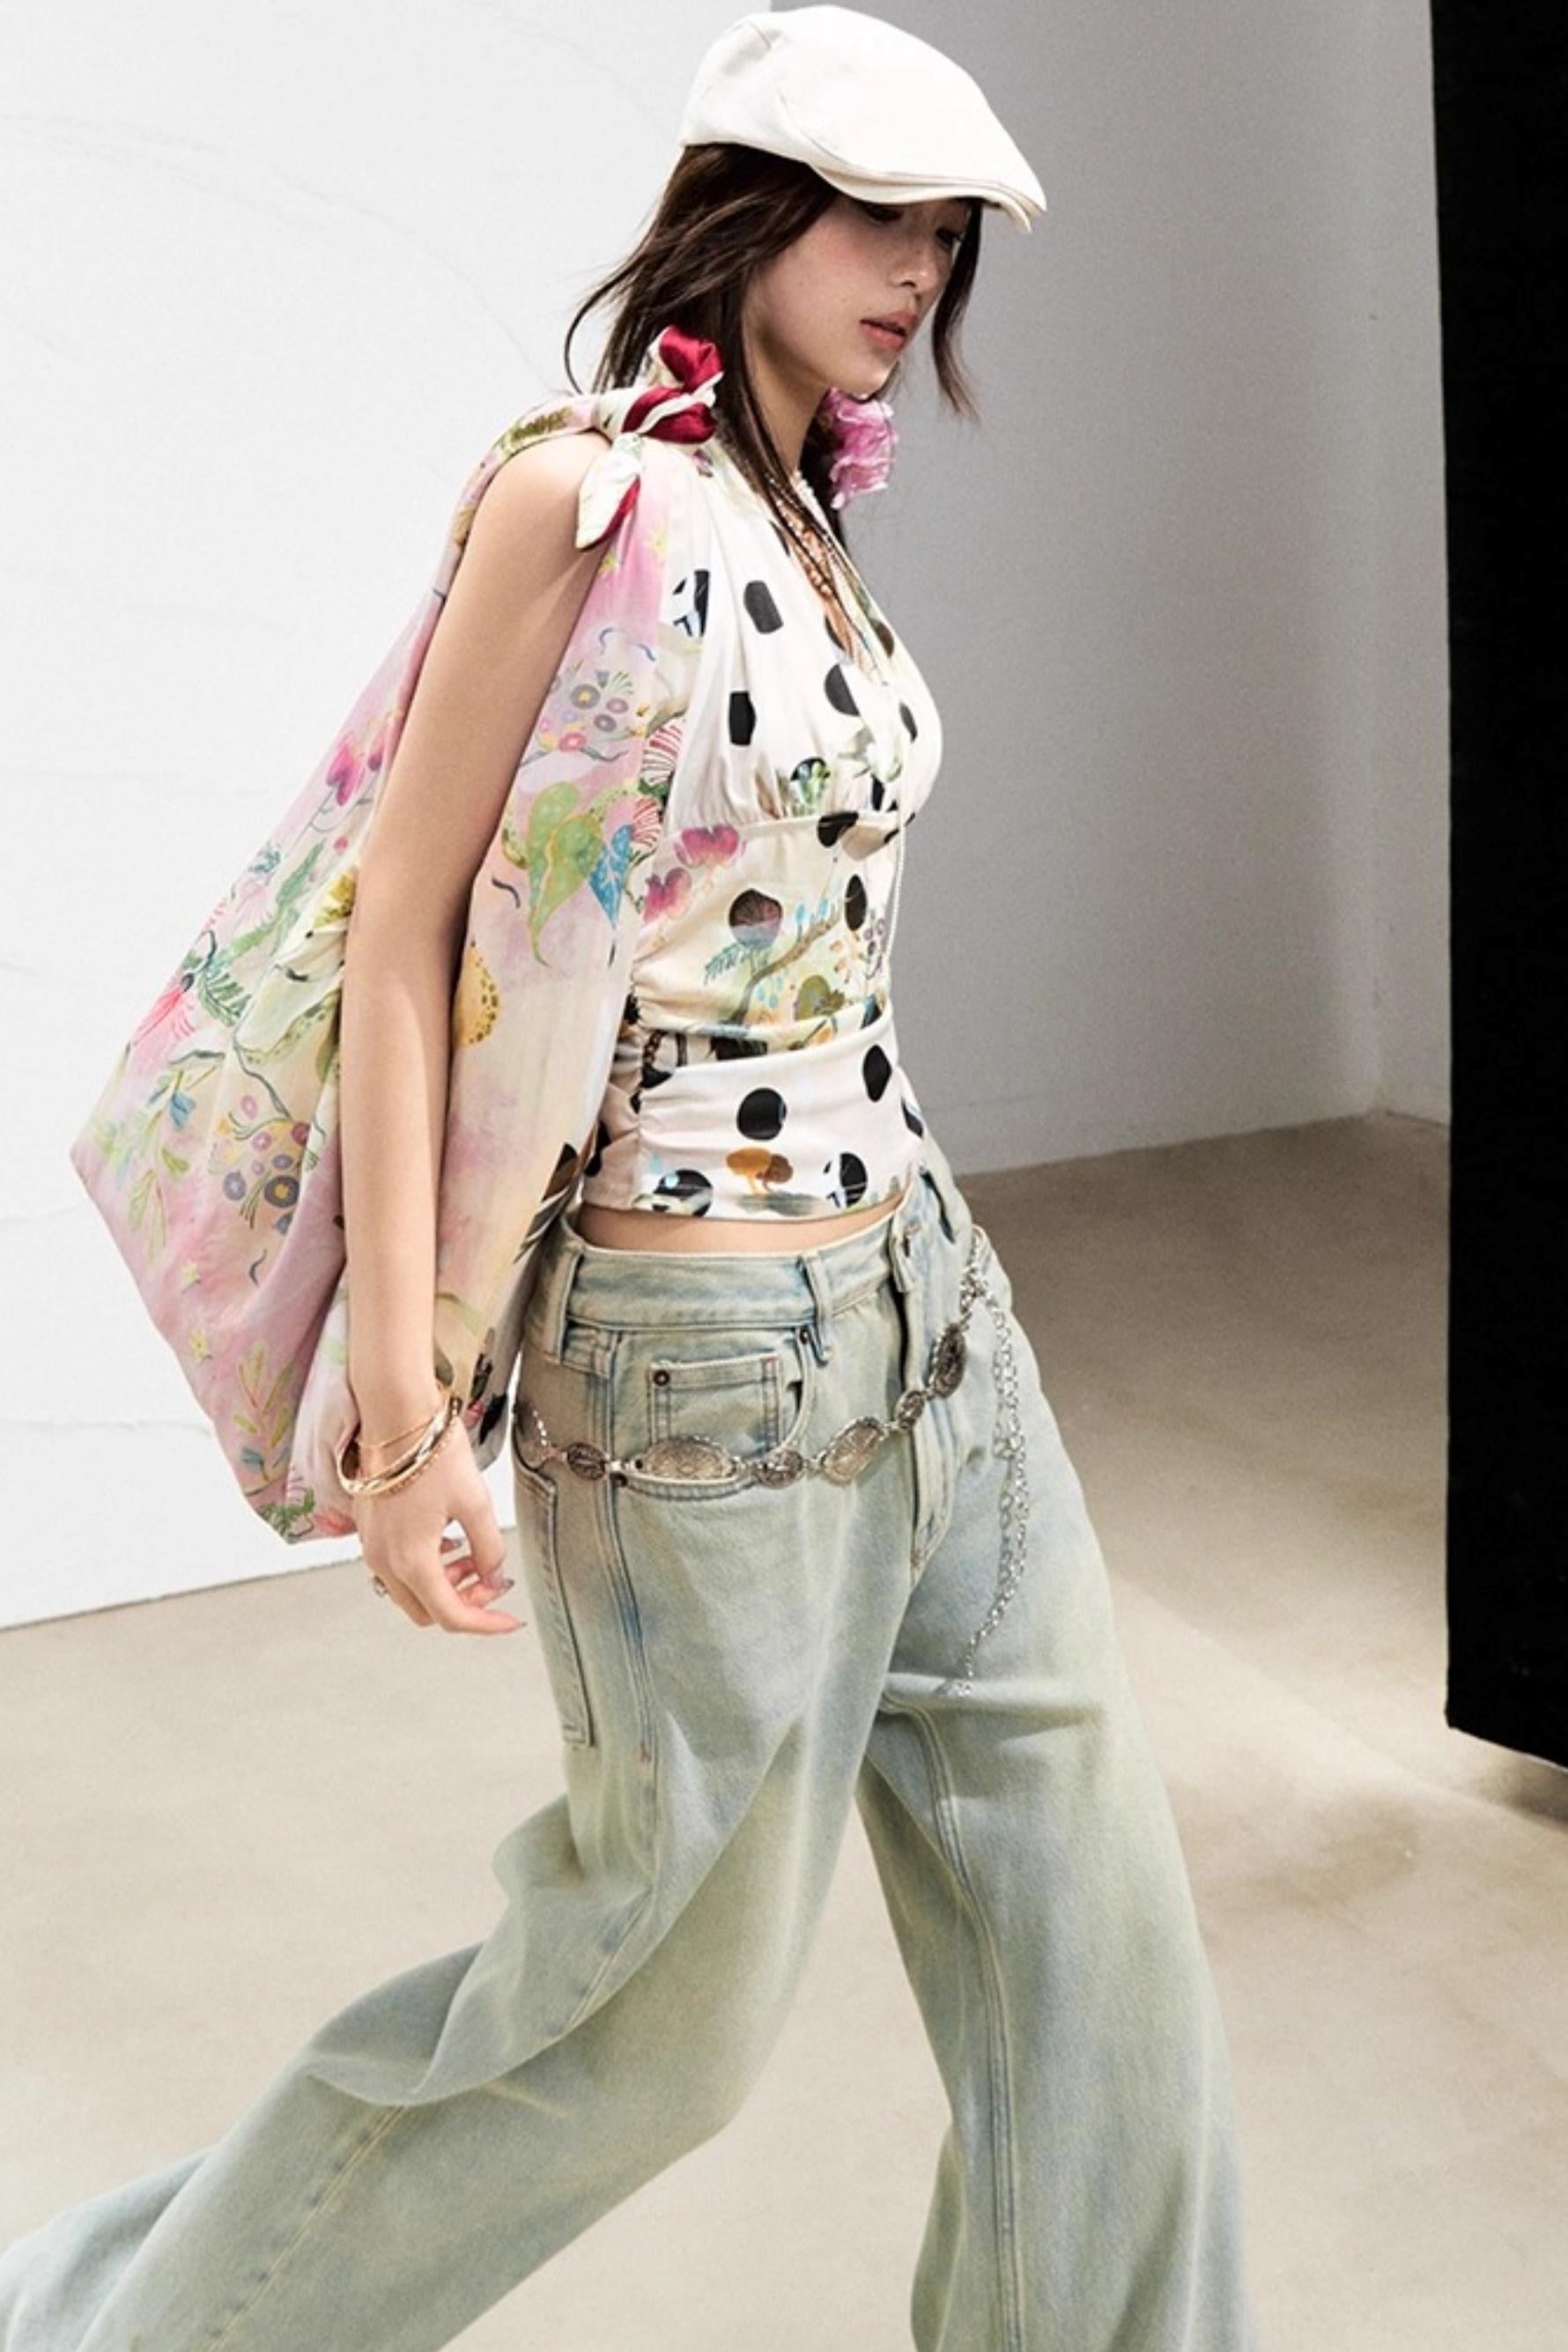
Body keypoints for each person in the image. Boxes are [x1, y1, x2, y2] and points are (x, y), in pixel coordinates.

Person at [1, 10, 1262, 2347]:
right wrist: (407, 1424)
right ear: (744, 207)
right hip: (704, 1364)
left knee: (1093, 1948)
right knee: (643, 2027)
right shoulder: (587, 500)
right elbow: (403, 933)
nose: (917, 270)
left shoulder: (807, 505)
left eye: (944, 233)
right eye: (876, 216)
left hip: (933, 1305)